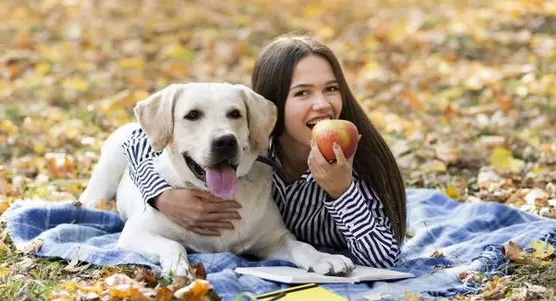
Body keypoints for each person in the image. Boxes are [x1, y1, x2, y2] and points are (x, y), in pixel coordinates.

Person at [121, 32, 407, 268]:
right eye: (302, 93)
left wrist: (342, 191)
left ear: (253, 120)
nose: (321, 104)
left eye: (331, 88)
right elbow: (135, 140)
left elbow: (384, 257)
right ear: (276, 103)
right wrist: (161, 195)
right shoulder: (264, 148)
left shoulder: (351, 158)